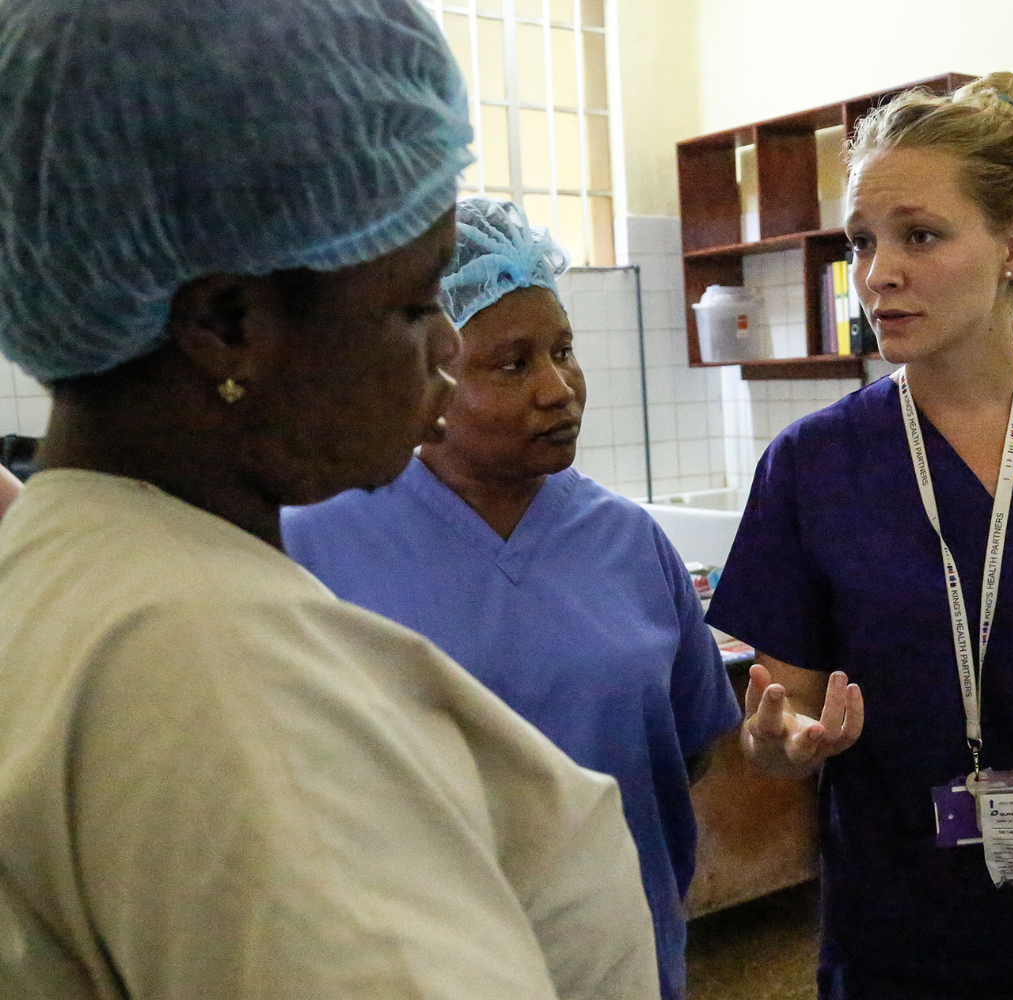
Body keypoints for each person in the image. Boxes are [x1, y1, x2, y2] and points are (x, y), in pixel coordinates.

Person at [0, 3, 661, 997]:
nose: (446, 347)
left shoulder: (69, 560)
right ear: (227, 324)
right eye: (409, 303)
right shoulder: (228, 684)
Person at [705, 73, 1013, 1000]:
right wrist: (780, 744)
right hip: (902, 919)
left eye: (921, 235)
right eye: (863, 242)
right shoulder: (813, 465)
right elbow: (780, 712)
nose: (877, 273)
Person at [284, 196, 741, 1000]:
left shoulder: (629, 543)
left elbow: (687, 745)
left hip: (619, 960)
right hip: (406, 968)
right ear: (423, 379)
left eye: (564, 350)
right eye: (512, 363)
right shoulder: (315, 541)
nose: (559, 388)